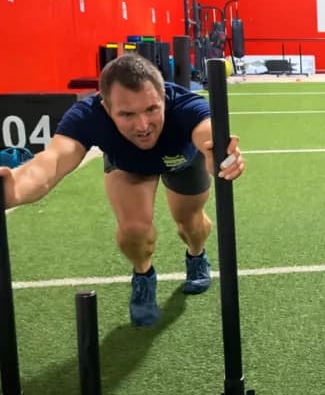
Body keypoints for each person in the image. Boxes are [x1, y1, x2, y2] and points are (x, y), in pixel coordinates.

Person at [0, 54, 245, 328]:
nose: (143, 126)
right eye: (127, 114)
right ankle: (143, 275)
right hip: (128, 167)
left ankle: (197, 255)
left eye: (152, 109)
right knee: (134, 230)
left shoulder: (186, 105)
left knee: (190, 223)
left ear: (164, 95)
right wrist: (14, 188)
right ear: (106, 107)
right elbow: (51, 163)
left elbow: (207, 133)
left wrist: (217, 152)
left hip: (182, 162)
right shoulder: (88, 115)